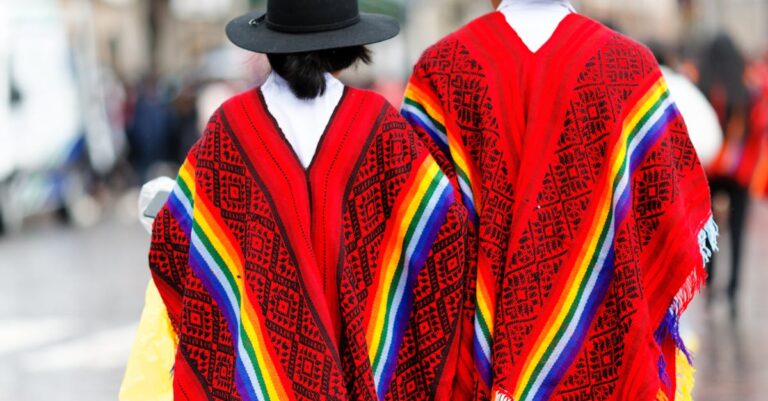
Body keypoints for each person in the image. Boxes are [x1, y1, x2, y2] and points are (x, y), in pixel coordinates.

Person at [141, 0, 470, 399]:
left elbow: (172, 247)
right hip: (364, 377)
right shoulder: (381, 127)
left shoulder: (229, 132)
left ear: (270, 44)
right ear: (349, 46)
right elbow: (445, 237)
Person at [401, 1, 716, 400]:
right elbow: (665, 217)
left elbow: (415, 236)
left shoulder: (441, 69)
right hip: (609, 352)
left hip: (477, 357)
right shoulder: (629, 68)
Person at [698, 33, 758, 317]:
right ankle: (733, 290)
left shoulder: (704, 84)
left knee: (709, 229)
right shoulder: (746, 87)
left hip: (710, 167)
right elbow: (757, 128)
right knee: (737, 233)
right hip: (739, 170)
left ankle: (709, 282)